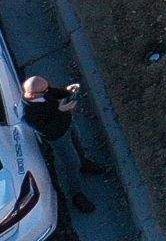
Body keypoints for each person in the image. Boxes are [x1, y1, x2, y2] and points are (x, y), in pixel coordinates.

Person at [19, 74, 104, 216]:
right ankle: (76, 195)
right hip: (58, 137)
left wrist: (67, 91)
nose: (48, 90)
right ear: (32, 95)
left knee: (77, 143)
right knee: (71, 163)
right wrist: (62, 111)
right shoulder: (30, 115)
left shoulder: (44, 91)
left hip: (67, 125)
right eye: (45, 90)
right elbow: (48, 129)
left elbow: (54, 92)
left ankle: (84, 163)